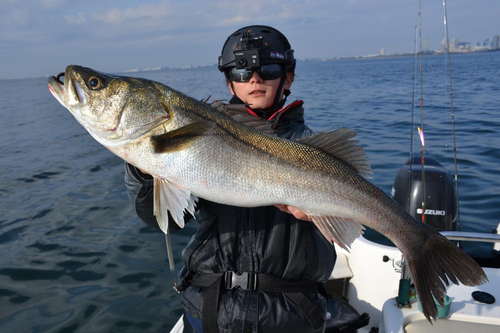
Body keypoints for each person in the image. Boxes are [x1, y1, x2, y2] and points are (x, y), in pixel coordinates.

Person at [125, 25, 336, 333]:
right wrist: (145, 173)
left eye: (269, 68)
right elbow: (168, 221)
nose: (255, 78)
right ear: (228, 82)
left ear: (288, 77)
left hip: (291, 316)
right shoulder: (201, 134)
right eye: (241, 70)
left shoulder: (315, 151)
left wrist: (323, 216)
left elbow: (343, 230)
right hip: (210, 310)